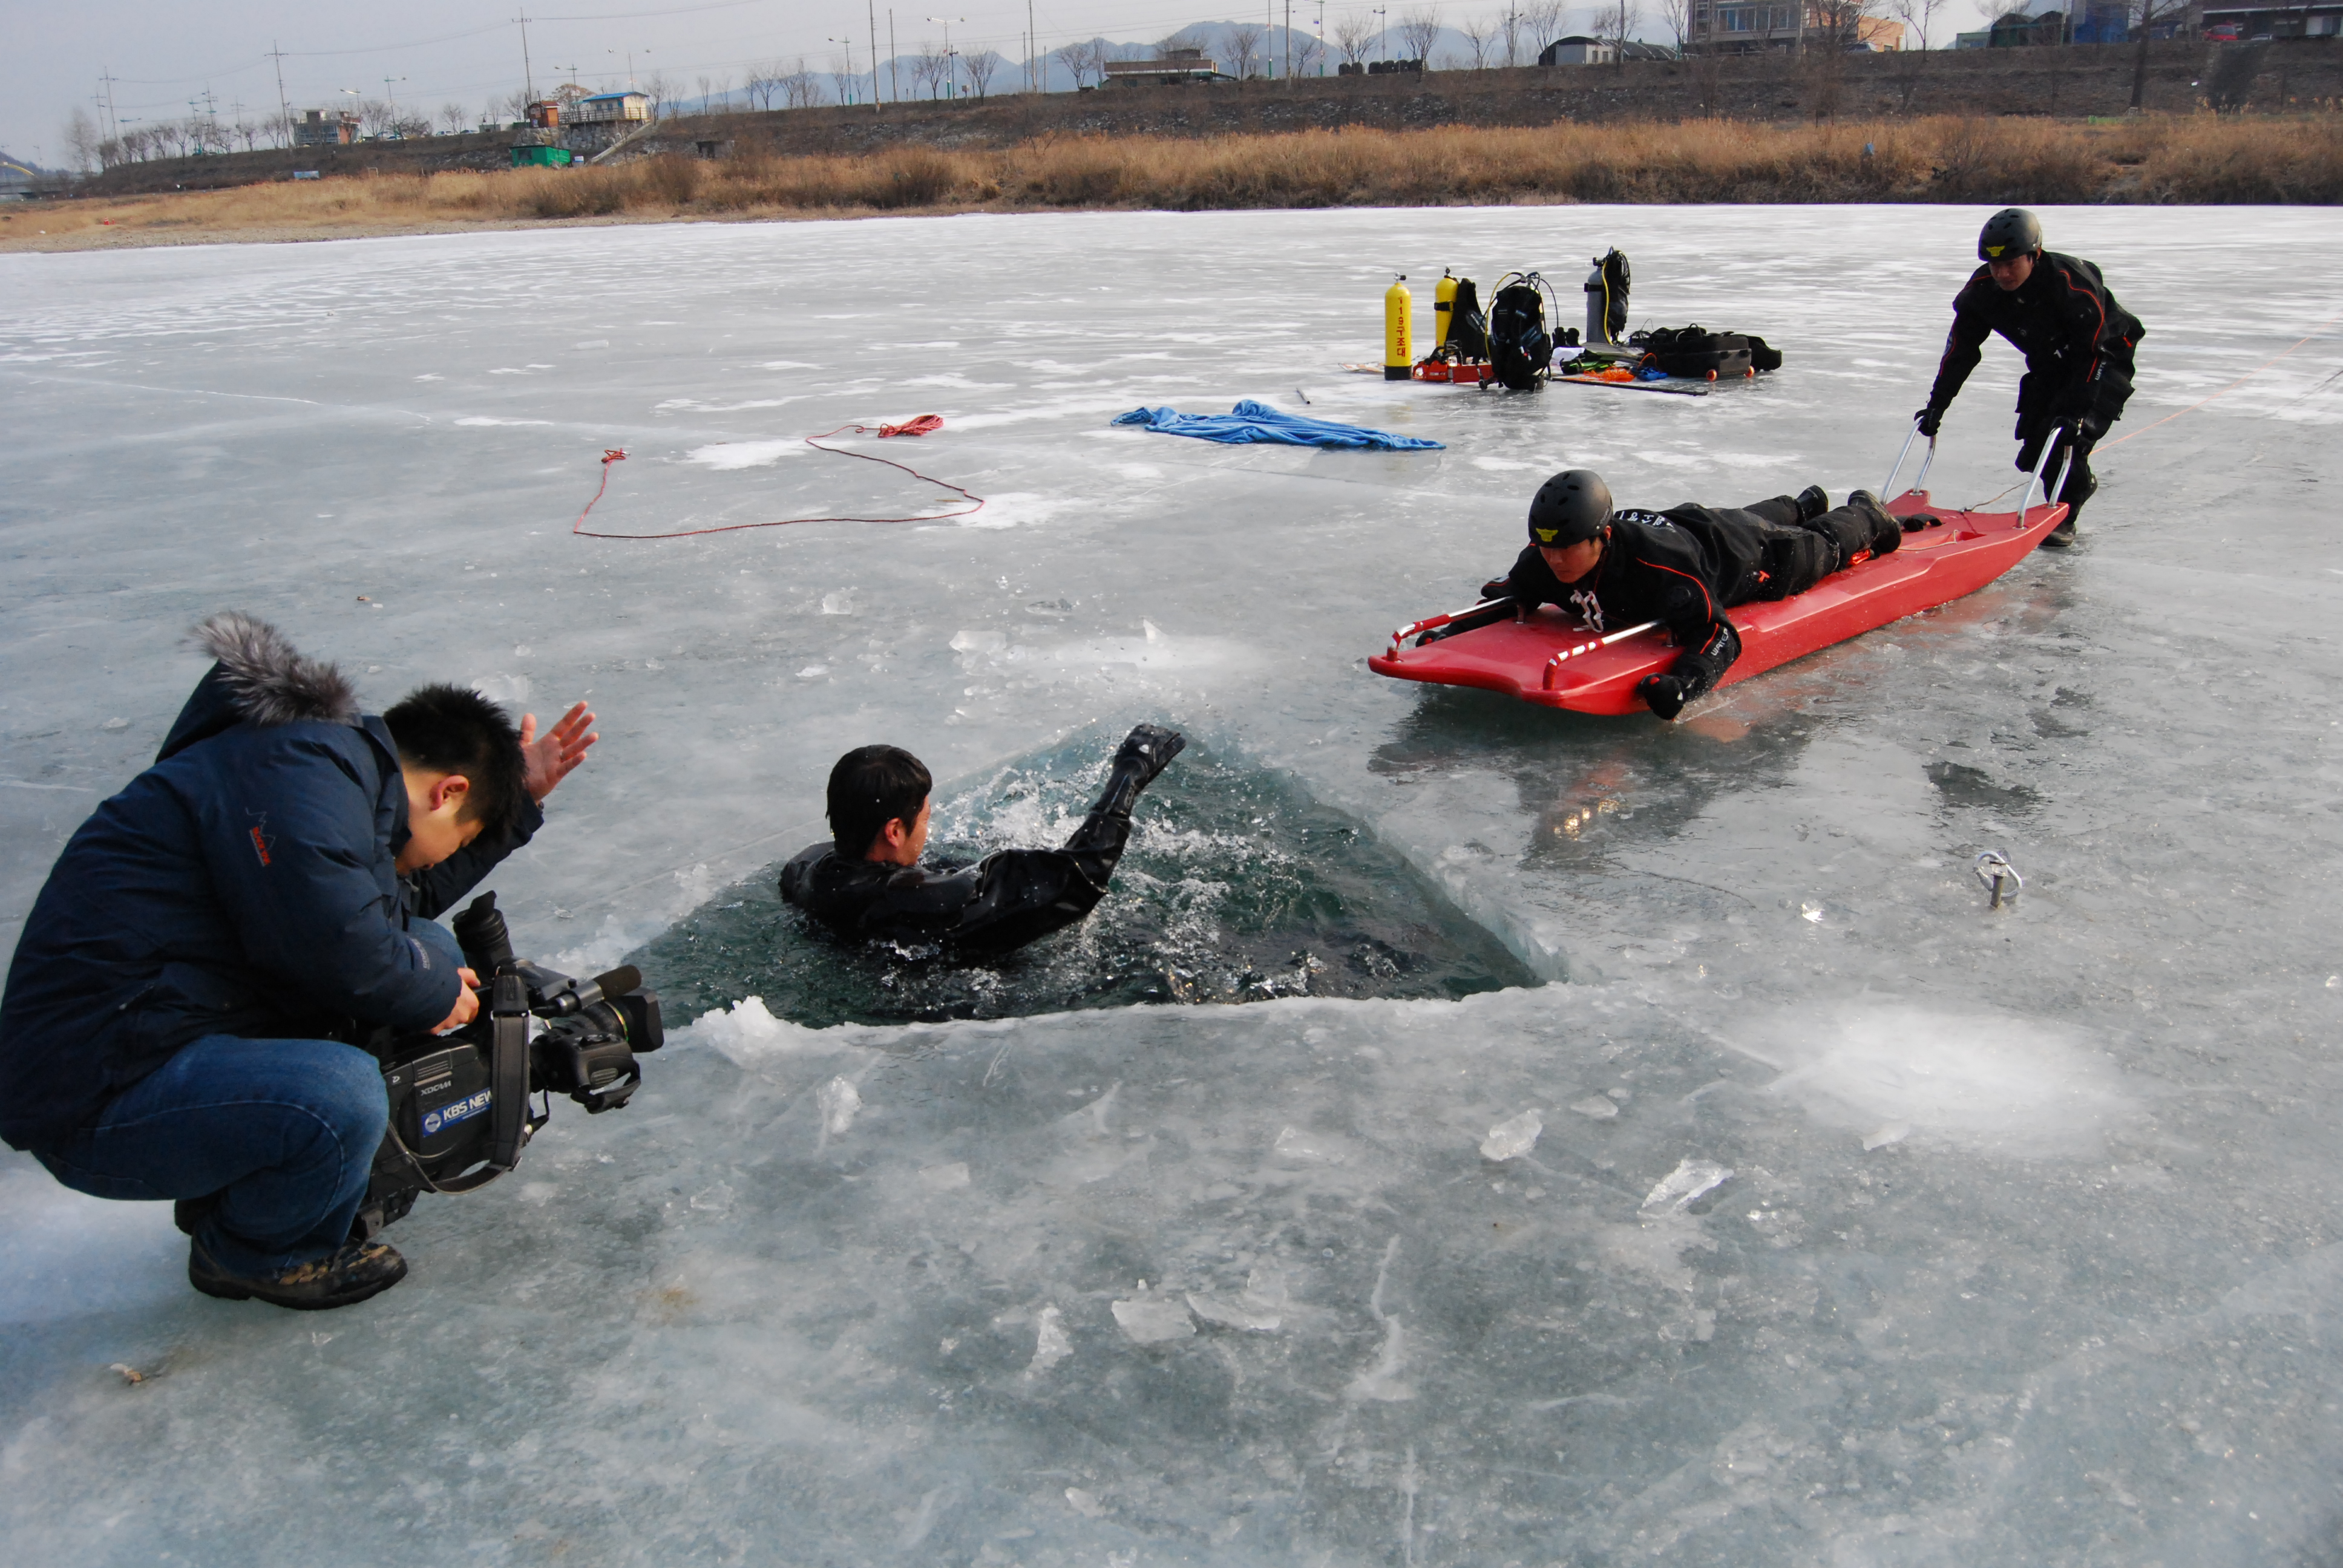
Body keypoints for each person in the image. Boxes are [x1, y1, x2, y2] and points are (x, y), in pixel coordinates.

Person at [0, 613, 598, 1311]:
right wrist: (437, 991)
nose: (445, 855)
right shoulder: (297, 782)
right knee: (341, 1094)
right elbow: (342, 947)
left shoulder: (323, 777)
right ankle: (256, 1254)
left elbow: (386, 904)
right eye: (460, 838)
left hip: (158, 1031)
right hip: (96, 1097)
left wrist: (513, 806)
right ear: (449, 791)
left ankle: (259, 1184)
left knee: (426, 948)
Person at [1481, 469, 1906, 720]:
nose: (1555, 559)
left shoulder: (1662, 572)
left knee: (1817, 549)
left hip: (1746, 556)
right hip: (1691, 525)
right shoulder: (1543, 557)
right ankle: (1802, 503)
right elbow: (1511, 591)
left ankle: (1867, 513)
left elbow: (1720, 635)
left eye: (1567, 548)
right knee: (1737, 517)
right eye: (1546, 546)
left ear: (1603, 537)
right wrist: (1466, 624)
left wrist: (1684, 685)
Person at [781, 725, 1184, 955]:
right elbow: (1077, 876)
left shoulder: (804, 871)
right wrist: (1129, 776)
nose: (927, 830)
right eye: (924, 819)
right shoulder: (934, 901)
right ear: (894, 831)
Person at [1916, 207, 2143, 548]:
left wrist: (2076, 412)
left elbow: (2092, 354)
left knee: (2066, 437)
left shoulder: (2070, 286)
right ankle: (2079, 484)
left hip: (2106, 355)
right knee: (2037, 444)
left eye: (2011, 263)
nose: (2002, 273)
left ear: (2034, 256)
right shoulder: (1982, 292)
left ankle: (2066, 513)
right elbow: (1961, 352)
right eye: (1994, 265)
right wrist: (1938, 404)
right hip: (2050, 361)